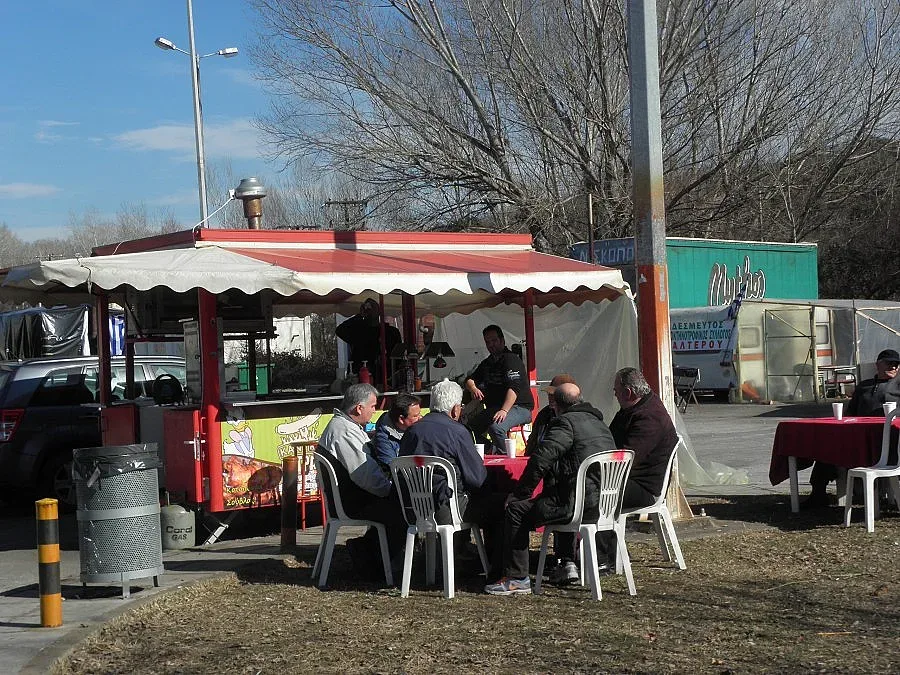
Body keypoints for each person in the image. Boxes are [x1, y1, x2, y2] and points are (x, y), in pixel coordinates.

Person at [485, 383, 616, 596]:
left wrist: (519, 493)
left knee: (515, 510)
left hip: (575, 505)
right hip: (603, 505)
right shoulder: (599, 423)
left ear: (556, 405)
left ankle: (517, 578)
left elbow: (541, 459)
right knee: (550, 497)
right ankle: (563, 563)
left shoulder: (565, 423)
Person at [594, 367, 679, 572]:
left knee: (595, 495)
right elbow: (611, 439)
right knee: (589, 488)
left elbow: (626, 459)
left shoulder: (649, 417)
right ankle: (601, 552)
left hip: (644, 486)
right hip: (628, 478)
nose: (614, 394)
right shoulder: (634, 409)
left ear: (628, 392)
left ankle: (605, 558)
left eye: (616, 390)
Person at [316, 383, 406, 575]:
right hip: (352, 502)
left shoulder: (344, 426)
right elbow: (365, 475)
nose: (375, 410)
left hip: (351, 497)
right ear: (358, 408)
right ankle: (382, 566)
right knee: (403, 510)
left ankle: (368, 552)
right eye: (373, 406)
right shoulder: (344, 431)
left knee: (398, 505)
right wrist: (391, 490)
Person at [806, 348, 900, 507]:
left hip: (889, 439)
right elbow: (850, 413)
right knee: (828, 449)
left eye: (896, 364)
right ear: (878, 365)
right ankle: (818, 493)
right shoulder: (864, 386)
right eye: (889, 363)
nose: (894, 367)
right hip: (859, 437)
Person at [398, 380, 487, 524]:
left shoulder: (411, 431)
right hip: (449, 508)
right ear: (455, 409)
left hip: (413, 509)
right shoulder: (457, 431)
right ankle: (462, 539)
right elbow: (477, 479)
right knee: (498, 505)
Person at [524, 373, 580, 585]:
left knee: (517, 507)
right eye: (549, 395)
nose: (549, 399)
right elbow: (533, 445)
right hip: (546, 475)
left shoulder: (570, 420)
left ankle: (564, 560)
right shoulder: (545, 415)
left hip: (566, 486)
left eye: (554, 395)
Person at [464, 324, 534, 454]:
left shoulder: (511, 359)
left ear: (502, 340)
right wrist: (473, 388)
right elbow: (469, 379)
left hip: (520, 407)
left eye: (494, 340)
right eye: (487, 342)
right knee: (467, 430)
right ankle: (492, 450)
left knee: (496, 427)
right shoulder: (487, 363)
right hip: (495, 408)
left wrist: (504, 410)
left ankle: (506, 458)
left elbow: (514, 388)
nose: (491, 345)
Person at [335, 298, 402, 385]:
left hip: (385, 376)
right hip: (361, 375)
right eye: (367, 309)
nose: (370, 311)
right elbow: (340, 330)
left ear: (379, 311)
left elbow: (398, 355)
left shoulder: (390, 332)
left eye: (372, 308)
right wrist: (359, 315)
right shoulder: (359, 331)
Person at [372, 393, 422, 476]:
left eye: (420, 414)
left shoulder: (418, 426)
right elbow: (393, 468)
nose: (420, 418)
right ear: (401, 419)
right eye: (415, 416)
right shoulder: (383, 440)